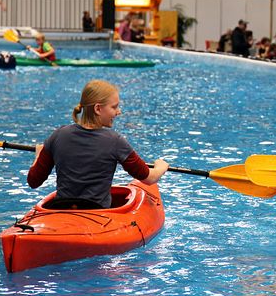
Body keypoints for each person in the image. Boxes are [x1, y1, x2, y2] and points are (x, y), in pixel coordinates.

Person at [27, 79, 169, 209]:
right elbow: (150, 179)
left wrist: (39, 155)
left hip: (61, 209)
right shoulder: (115, 141)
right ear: (98, 109)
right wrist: (160, 167)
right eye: (114, 107)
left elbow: (33, 181)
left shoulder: (58, 135)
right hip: (97, 215)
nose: (118, 112)